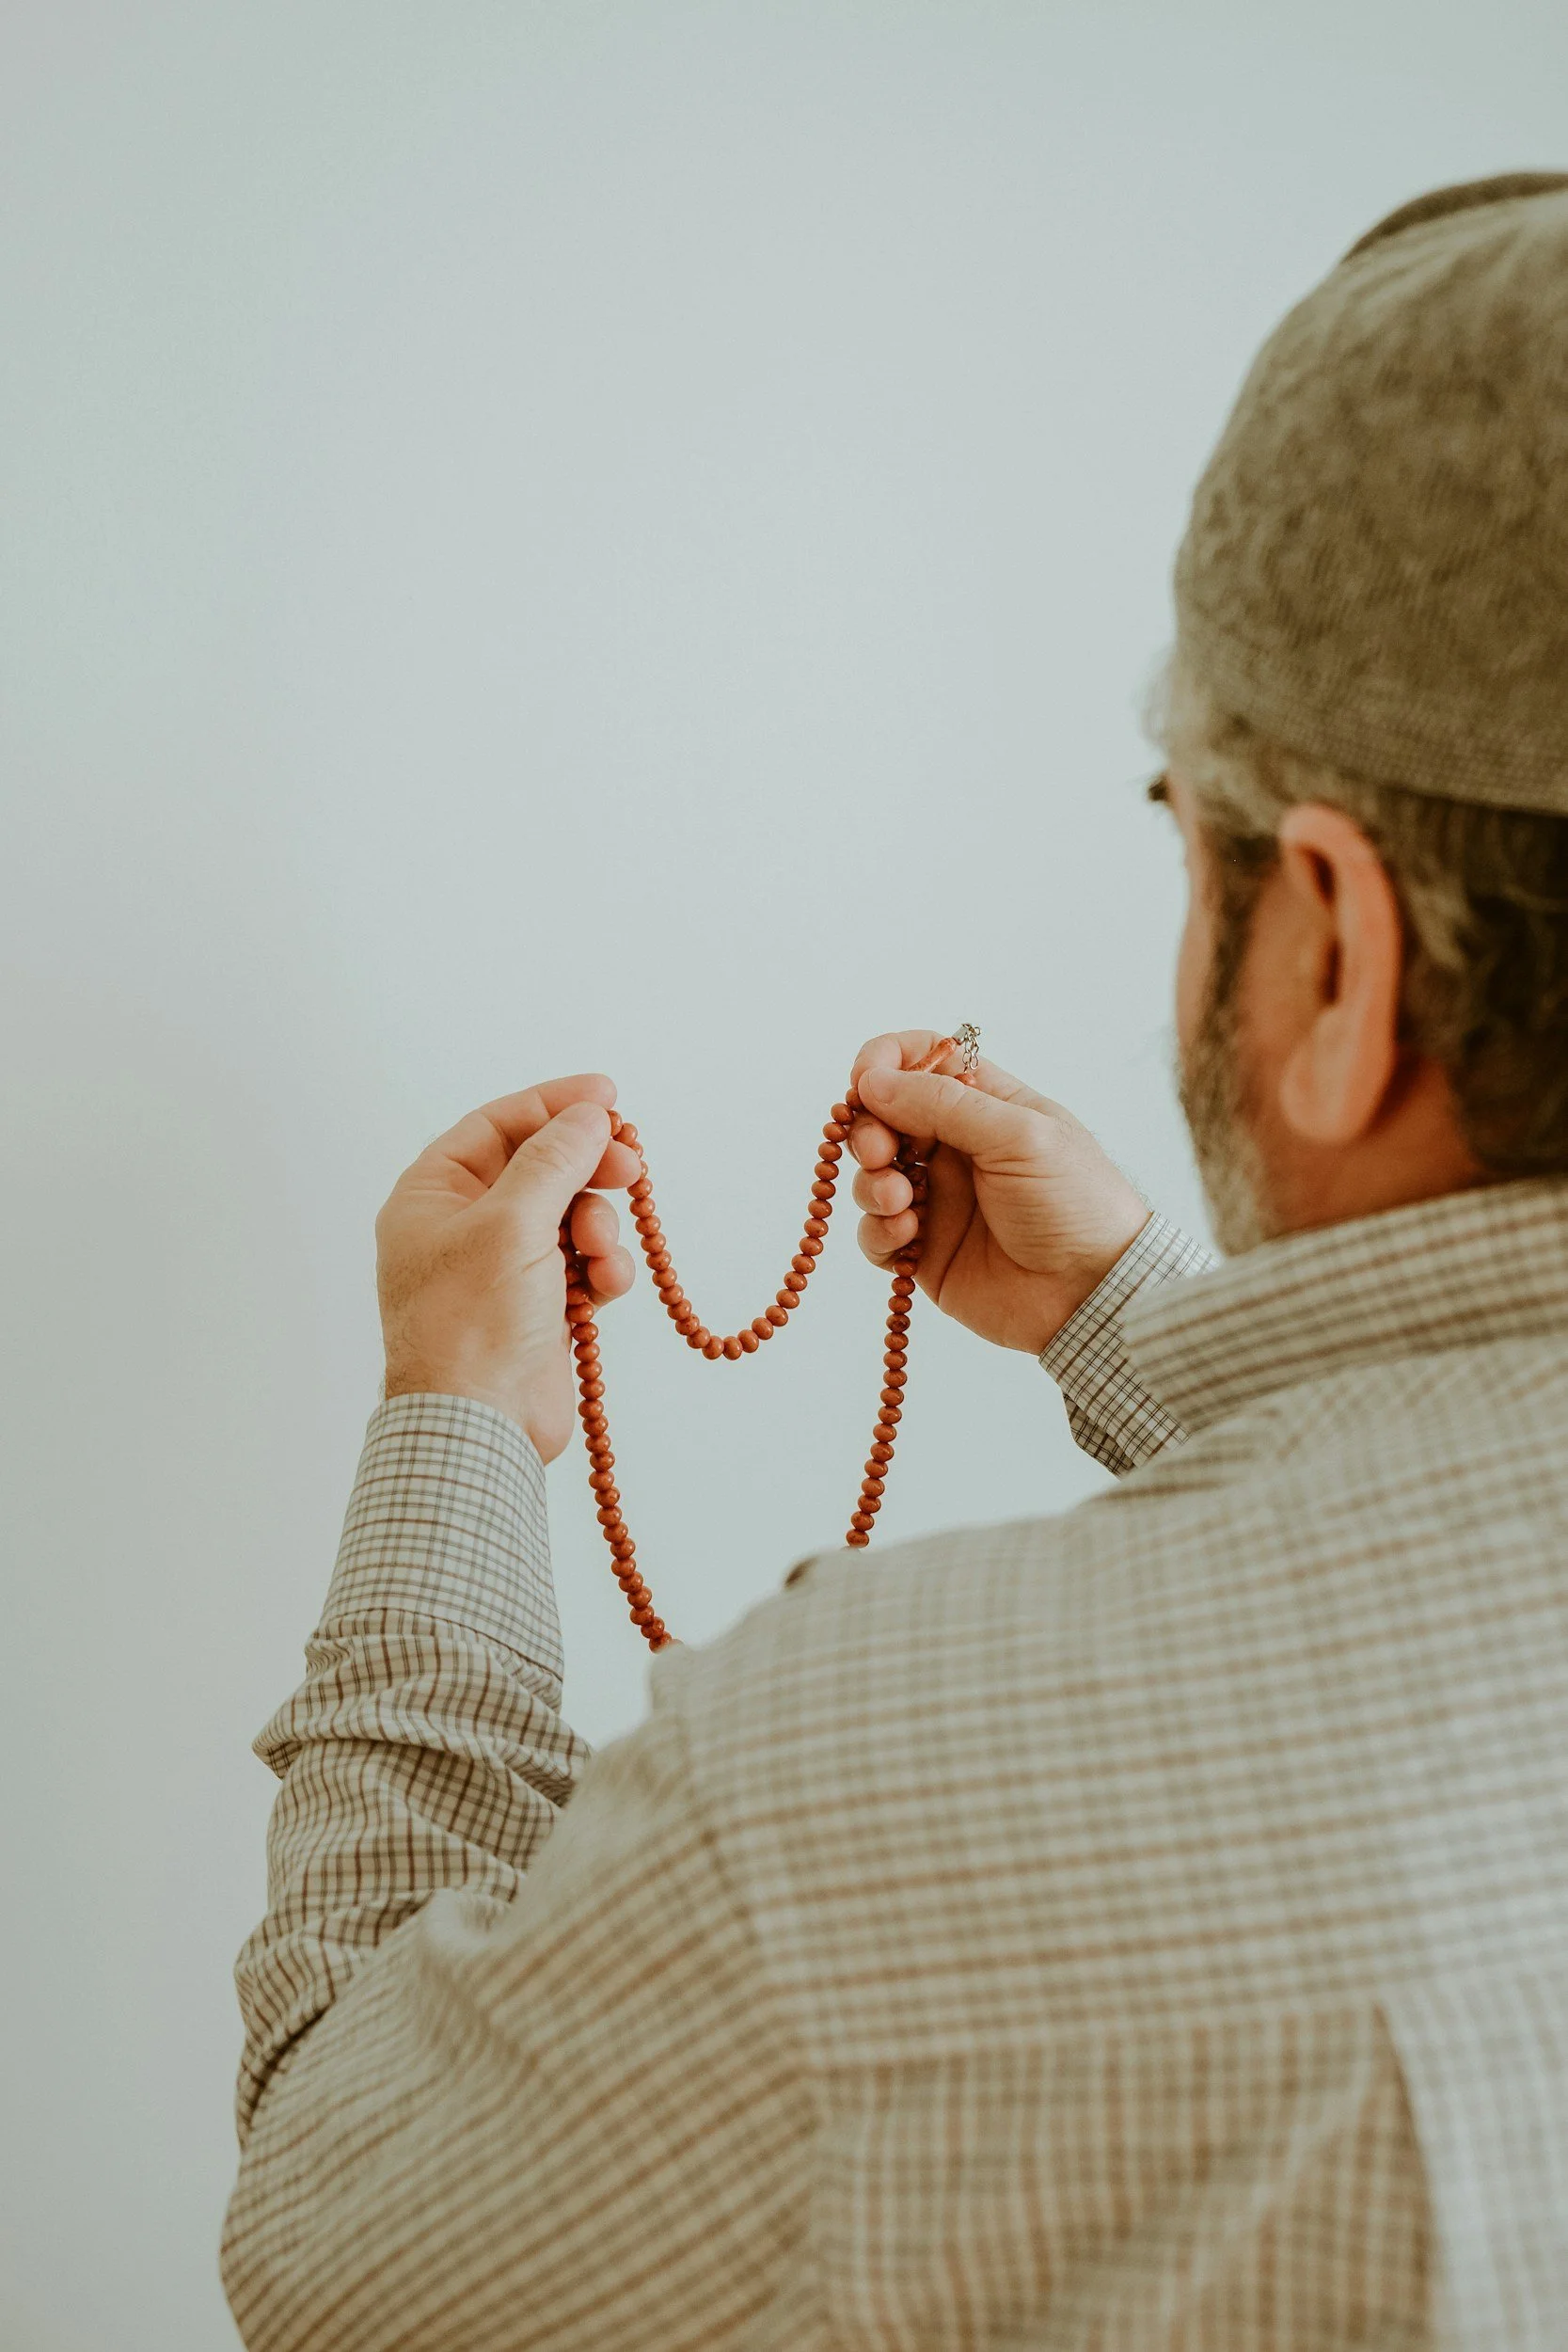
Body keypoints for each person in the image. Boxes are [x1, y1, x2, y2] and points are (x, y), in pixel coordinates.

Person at [222, 173, 1568, 2348]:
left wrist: (453, 1438)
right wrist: (1143, 1334)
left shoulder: (852, 1782)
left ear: (1334, 942)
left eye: (1189, 838)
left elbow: (333, 2231)